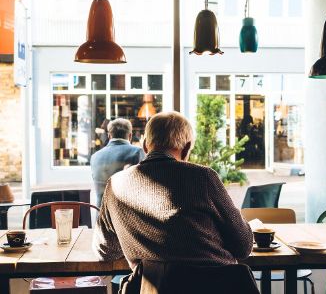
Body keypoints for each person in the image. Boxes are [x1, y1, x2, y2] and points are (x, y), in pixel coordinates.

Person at [92, 111, 253, 270]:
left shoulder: (115, 185)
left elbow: (105, 251)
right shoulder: (203, 177)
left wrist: (136, 239)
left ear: (145, 145)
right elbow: (243, 245)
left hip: (153, 288)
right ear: (187, 148)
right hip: (217, 285)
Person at [90, 118, 145, 208]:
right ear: (130, 136)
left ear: (109, 136)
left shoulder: (95, 157)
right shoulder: (137, 152)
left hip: (101, 215)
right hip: (126, 217)